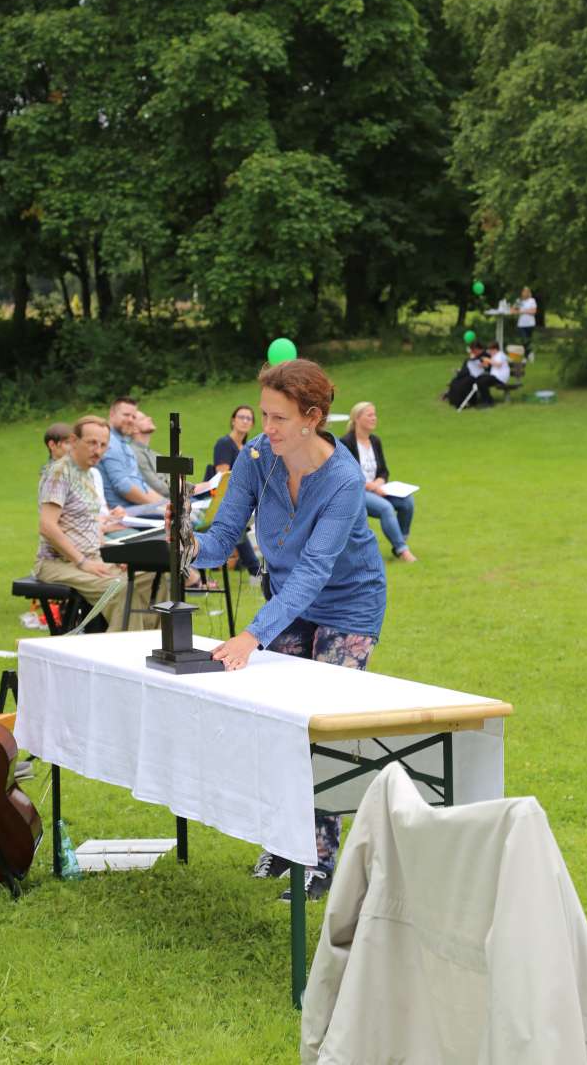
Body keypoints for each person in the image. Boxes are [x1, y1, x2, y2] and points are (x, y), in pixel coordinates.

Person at [179, 359, 387, 900]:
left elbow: (317, 570)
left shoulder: (342, 480)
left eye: (277, 417)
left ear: (312, 418)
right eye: (263, 414)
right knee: (279, 724)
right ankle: (283, 841)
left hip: (349, 605)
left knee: (323, 726)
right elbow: (225, 534)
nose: (264, 428)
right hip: (288, 599)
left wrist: (253, 635)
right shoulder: (255, 459)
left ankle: (320, 860)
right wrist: (188, 545)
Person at [34, 415, 157, 632]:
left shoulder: (90, 474)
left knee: (154, 576)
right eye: (91, 443)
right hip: (58, 564)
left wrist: (116, 556)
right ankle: (119, 656)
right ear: (73, 441)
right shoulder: (60, 472)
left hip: (92, 557)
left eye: (103, 445)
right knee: (120, 590)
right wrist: (82, 562)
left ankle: (151, 643)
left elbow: (91, 526)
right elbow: (47, 526)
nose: (97, 450)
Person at [340, 403, 416, 563]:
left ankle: (399, 542)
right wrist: (371, 486)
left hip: (377, 489)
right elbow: (348, 474)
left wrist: (380, 482)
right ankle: (403, 551)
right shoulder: (346, 442)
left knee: (407, 502)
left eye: (374, 414)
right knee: (386, 508)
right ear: (357, 418)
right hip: (357, 492)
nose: (374, 418)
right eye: (369, 415)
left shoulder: (375, 441)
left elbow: (383, 470)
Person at [210, 405, 261, 580]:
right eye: (241, 417)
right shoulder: (225, 444)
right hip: (221, 496)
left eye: (249, 418)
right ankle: (256, 570)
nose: (245, 421)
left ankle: (253, 567)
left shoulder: (249, 448)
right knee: (237, 525)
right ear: (233, 420)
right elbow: (222, 476)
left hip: (244, 497)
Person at [97, 396, 167, 514]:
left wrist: (166, 503)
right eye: (126, 415)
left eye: (133, 416)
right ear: (112, 414)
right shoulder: (109, 442)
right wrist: (157, 506)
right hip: (125, 511)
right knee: (187, 517)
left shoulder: (125, 444)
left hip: (140, 506)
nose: (130, 420)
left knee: (188, 512)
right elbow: (123, 486)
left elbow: (142, 484)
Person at [131, 411, 170, 499]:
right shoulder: (135, 453)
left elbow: (171, 477)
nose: (150, 418)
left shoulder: (154, 454)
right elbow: (156, 487)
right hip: (163, 503)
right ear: (134, 429)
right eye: (143, 419)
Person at [442, 341, 486, 408]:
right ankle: (453, 399)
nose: (473, 352)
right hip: (469, 374)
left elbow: (483, 367)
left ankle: (462, 402)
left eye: (474, 350)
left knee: (462, 383)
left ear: (477, 349)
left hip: (476, 376)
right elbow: (468, 366)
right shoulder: (473, 357)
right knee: (455, 382)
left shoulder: (484, 356)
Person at [474, 340, 511, 408]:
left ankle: (488, 402)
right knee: (479, 380)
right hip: (494, 377)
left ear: (495, 349)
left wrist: (488, 360)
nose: (489, 352)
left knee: (482, 381)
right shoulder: (494, 356)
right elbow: (488, 365)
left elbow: (498, 364)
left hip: (500, 378)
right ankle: (486, 399)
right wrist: (481, 365)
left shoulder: (500, 355)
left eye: (490, 350)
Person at [513, 286, 537, 358]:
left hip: (530, 323)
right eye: (523, 292)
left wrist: (522, 311)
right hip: (521, 324)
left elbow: (533, 311)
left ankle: (528, 354)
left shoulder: (532, 300)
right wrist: (520, 311)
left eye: (526, 292)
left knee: (528, 340)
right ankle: (527, 354)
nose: (524, 293)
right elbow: (513, 310)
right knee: (524, 339)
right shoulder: (519, 301)